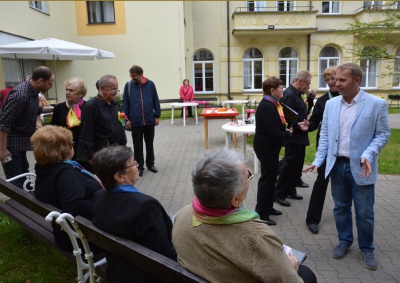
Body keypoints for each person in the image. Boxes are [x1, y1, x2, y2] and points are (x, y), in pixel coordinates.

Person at [172, 148, 317, 283]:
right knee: (306, 274)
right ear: (235, 200)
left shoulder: (183, 214)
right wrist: (293, 264)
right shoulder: (256, 236)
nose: (250, 177)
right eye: (248, 176)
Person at [303, 63, 390, 270]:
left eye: (342, 80)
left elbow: (383, 134)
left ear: (356, 80)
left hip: (361, 167)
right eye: (335, 80)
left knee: (364, 212)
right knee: (340, 208)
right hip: (337, 166)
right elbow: (325, 135)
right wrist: (318, 160)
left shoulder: (376, 104)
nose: (336, 84)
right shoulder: (331, 105)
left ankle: (367, 248)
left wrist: (368, 154)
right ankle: (345, 240)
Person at [91, 145, 177, 283]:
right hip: (147, 273)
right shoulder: (145, 206)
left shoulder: (99, 196)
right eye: (134, 163)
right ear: (119, 176)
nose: (137, 166)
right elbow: (164, 255)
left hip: (119, 265)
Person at [31, 125, 103, 252]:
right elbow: (75, 207)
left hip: (65, 233)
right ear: (63, 149)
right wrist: (106, 203)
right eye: (71, 143)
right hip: (83, 239)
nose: (72, 145)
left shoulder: (44, 169)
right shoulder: (65, 174)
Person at [298, 67, 340, 234]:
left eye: (333, 79)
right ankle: (312, 220)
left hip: (344, 149)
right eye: (328, 79)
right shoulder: (322, 101)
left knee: (343, 183)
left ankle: (342, 213)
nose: (331, 82)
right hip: (326, 147)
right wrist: (308, 126)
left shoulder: (348, 98)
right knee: (321, 182)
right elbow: (315, 122)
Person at [0, 66, 54, 189]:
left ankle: (27, 204)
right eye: (50, 84)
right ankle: (16, 206)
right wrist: (2, 150)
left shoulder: (33, 91)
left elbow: (31, 109)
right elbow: (3, 124)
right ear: (40, 81)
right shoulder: (20, 95)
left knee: (25, 175)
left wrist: (54, 108)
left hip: (21, 144)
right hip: (11, 146)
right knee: (16, 181)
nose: (50, 87)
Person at [254, 77, 293, 226]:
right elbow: (273, 132)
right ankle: (262, 213)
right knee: (267, 180)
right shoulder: (267, 106)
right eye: (280, 87)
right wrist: (287, 133)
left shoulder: (273, 104)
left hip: (270, 146)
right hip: (266, 147)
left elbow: (277, 127)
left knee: (271, 179)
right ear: (272, 90)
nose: (282, 89)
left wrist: (285, 129)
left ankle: (268, 207)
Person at [274, 70, 312, 207]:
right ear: (299, 81)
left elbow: (301, 112)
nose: (307, 87)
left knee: (296, 166)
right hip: (293, 136)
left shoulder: (297, 94)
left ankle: (290, 189)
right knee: (288, 166)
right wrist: (298, 126)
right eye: (307, 84)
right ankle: (278, 193)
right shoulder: (289, 95)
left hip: (299, 136)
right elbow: (288, 117)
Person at [78, 75, 127, 172]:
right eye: (113, 89)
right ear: (102, 88)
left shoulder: (115, 104)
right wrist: (91, 156)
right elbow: (86, 133)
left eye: (117, 90)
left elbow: (121, 124)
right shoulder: (91, 106)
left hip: (116, 150)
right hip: (101, 153)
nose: (115, 93)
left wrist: (123, 143)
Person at [123, 65, 161, 177]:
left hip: (149, 120)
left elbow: (155, 100)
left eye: (134, 76)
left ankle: (151, 164)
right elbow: (126, 103)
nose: (132, 78)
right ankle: (139, 166)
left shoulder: (150, 84)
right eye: (131, 75)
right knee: (137, 145)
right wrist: (127, 119)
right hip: (135, 121)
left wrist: (157, 115)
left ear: (140, 74)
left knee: (149, 144)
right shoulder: (129, 85)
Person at [51, 77, 87, 161]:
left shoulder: (88, 107)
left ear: (80, 93)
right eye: (67, 90)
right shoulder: (59, 107)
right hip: (64, 147)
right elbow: (53, 128)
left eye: (71, 90)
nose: (67, 93)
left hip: (82, 148)